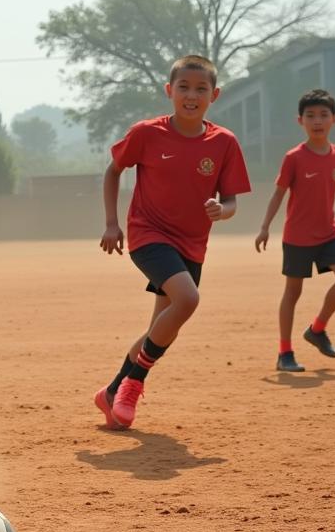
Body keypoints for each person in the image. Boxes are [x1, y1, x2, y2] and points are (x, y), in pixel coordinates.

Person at [95, 55, 251, 429]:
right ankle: (134, 383)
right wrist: (112, 223)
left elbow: (231, 201)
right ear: (170, 91)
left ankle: (111, 391)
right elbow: (114, 170)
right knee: (188, 299)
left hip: (192, 245)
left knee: (162, 329)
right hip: (148, 234)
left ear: (215, 94)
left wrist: (221, 209)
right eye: (183, 87)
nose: (191, 95)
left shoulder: (224, 142)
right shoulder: (147, 133)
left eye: (201, 89)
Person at [255, 88, 335, 371]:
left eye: (323, 115)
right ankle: (285, 353)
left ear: (334, 119)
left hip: (329, 233)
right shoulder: (294, 157)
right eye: (310, 115)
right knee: (293, 292)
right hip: (298, 237)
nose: (317, 120)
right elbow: (278, 194)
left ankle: (317, 329)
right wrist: (265, 226)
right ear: (300, 121)